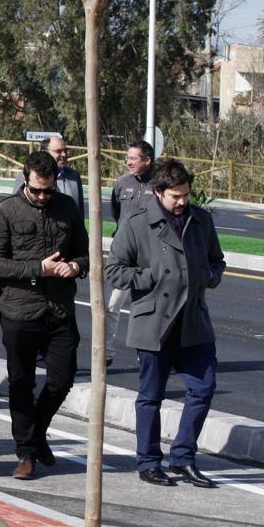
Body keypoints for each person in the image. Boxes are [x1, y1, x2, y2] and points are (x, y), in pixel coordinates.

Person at [105, 160, 225, 488]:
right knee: (150, 396)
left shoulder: (201, 220)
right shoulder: (137, 223)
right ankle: (148, 461)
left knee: (203, 388)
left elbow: (217, 260)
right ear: (158, 192)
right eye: (175, 196)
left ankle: (183, 457)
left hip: (194, 322)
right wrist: (149, 277)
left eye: (186, 194)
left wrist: (207, 277)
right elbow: (113, 269)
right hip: (155, 323)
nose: (182, 201)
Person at [0, 151, 88, 480]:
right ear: (25, 179)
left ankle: (37, 432)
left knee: (62, 378)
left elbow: (84, 252)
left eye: (48, 190)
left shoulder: (67, 208)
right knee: (21, 382)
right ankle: (26, 452)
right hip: (19, 308)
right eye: (36, 190)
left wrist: (75, 266)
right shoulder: (5, 212)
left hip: (59, 308)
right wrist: (37, 270)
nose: (43, 196)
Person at [106, 140, 155, 365]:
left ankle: (147, 353)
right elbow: (117, 214)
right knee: (112, 305)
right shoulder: (121, 184)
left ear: (147, 160)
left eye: (133, 158)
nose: (128, 162)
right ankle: (105, 353)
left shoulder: (160, 184)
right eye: (128, 157)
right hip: (125, 256)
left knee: (146, 306)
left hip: (150, 256)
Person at [12, 135, 84, 217]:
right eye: (58, 151)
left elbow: (79, 211)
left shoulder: (74, 176)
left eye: (65, 151)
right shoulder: (27, 175)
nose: (64, 155)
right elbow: (15, 207)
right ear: (45, 152)